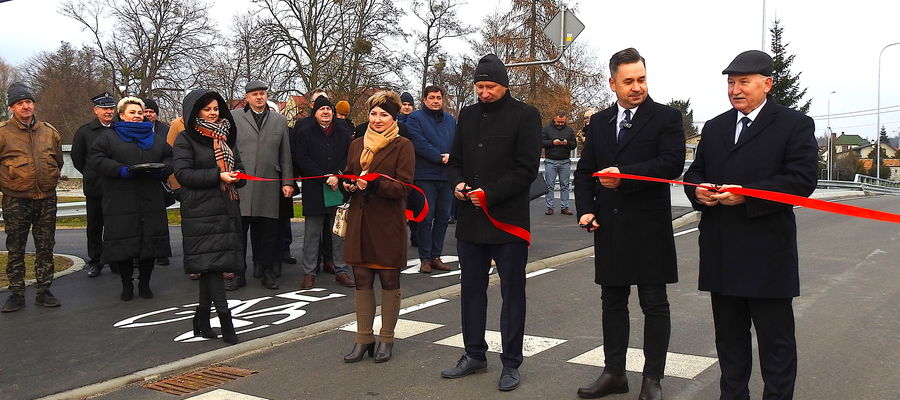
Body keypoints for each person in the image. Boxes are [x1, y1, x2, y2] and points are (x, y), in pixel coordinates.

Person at [683, 50, 818, 400]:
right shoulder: (715, 128)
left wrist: (749, 196)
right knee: (729, 342)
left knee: (776, 344)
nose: (735, 90)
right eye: (731, 83)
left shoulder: (794, 124)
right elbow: (695, 174)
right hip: (721, 252)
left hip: (767, 255)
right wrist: (698, 191)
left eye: (743, 82)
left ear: (767, 84)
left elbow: (802, 181)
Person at [572, 47, 686, 400]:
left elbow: (670, 164)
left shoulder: (666, 118)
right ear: (613, 83)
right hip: (611, 228)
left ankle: (652, 380)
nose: (637, 87)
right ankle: (614, 374)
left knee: (654, 303)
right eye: (629, 81)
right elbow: (585, 171)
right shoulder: (601, 122)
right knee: (612, 302)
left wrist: (625, 176)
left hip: (649, 227)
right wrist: (586, 209)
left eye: (642, 79)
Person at [441, 54, 541, 392]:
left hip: (507, 222)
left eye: (490, 87)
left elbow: (526, 169)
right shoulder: (467, 116)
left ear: (504, 85)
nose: (483, 93)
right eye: (479, 87)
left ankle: (511, 362)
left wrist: (490, 194)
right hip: (470, 221)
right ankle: (474, 354)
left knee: (512, 293)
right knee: (471, 290)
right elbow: (455, 161)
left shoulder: (525, 116)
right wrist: (456, 183)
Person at [341, 91, 415, 364]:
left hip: (387, 223)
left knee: (388, 280)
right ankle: (363, 339)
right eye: (373, 113)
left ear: (393, 117)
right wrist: (345, 184)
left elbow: (404, 186)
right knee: (361, 281)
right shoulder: (357, 144)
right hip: (360, 222)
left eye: (384, 114)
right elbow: (349, 173)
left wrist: (374, 184)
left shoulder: (403, 145)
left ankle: (386, 338)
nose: (377, 119)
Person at [173, 89, 245, 345]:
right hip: (200, 210)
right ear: (196, 112)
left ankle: (201, 320)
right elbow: (183, 174)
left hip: (226, 207)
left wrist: (238, 176)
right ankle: (226, 320)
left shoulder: (226, 137)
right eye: (207, 109)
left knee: (211, 265)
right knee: (212, 264)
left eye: (216, 109)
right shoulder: (185, 139)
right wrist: (217, 175)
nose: (213, 113)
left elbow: (240, 170)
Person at [89, 97, 173, 301]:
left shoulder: (154, 138)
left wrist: (161, 171)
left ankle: (145, 283)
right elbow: (96, 159)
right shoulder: (109, 136)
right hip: (120, 198)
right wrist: (120, 170)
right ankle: (126, 284)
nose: (137, 116)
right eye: (132, 112)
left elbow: (170, 158)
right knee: (124, 243)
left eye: (139, 112)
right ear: (121, 115)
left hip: (150, 198)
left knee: (149, 244)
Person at [0, 82, 64, 312]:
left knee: (45, 246)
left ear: (34, 104)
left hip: (46, 198)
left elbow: (58, 161)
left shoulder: (49, 131)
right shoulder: (3, 133)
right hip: (16, 199)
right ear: (12, 108)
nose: (25, 106)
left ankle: (44, 290)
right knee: (15, 247)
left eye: (28, 102)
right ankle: (16, 293)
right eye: (19, 103)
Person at [231, 80, 294, 290]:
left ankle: (267, 272)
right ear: (247, 97)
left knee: (268, 234)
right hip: (242, 185)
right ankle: (239, 274)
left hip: (269, 186)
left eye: (262, 93)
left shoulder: (279, 120)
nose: (259, 97)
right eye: (255, 94)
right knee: (239, 234)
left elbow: (285, 154)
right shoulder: (234, 117)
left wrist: (287, 182)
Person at [293, 95, 355, 289]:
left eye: (329, 109)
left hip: (337, 187)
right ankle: (309, 273)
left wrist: (337, 175)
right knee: (312, 234)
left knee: (338, 232)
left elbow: (348, 157)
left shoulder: (343, 132)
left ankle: (341, 270)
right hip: (314, 189)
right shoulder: (305, 132)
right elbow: (301, 159)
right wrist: (323, 176)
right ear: (315, 113)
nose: (326, 112)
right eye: (322, 109)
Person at [405, 85, 455, 274]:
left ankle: (436, 255)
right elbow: (418, 142)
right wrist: (439, 156)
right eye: (432, 97)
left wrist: (452, 157)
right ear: (424, 99)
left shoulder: (450, 120)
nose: (436, 101)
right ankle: (425, 258)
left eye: (439, 97)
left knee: (443, 218)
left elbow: (457, 142)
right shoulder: (415, 118)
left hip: (446, 177)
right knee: (425, 218)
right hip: (425, 175)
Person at [71, 92, 116, 277]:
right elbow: (77, 158)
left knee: (115, 225)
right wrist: (91, 174)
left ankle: (115, 259)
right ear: (95, 110)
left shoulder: (119, 129)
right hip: (95, 187)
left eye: (111, 108)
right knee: (95, 226)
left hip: (116, 186)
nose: (109, 112)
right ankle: (96, 260)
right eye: (105, 108)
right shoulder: (85, 132)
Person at [143, 97, 172, 267]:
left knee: (160, 219)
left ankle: (162, 253)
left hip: (160, 179)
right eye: (145, 111)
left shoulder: (164, 130)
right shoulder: (137, 128)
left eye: (151, 112)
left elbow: (169, 152)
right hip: (140, 179)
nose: (148, 115)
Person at [542, 110, 577, 216]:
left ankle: (565, 207)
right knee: (549, 186)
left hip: (565, 161)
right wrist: (553, 142)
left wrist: (566, 143)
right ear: (554, 119)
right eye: (558, 122)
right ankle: (549, 207)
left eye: (562, 122)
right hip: (550, 161)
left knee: (565, 185)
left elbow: (574, 144)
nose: (560, 124)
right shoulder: (546, 129)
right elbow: (541, 142)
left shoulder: (569, 130)